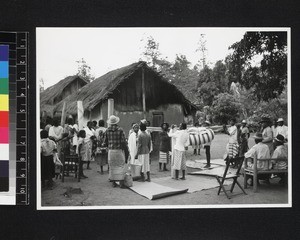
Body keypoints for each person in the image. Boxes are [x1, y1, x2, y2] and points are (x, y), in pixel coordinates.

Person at [103, 115, 129, 188]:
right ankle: (121, 183)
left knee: (112, 166)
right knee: (121, 165)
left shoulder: (107, 130)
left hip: (111, 151)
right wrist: (126, 150)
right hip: (119, 150)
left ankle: (113, 182)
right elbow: (123, 142)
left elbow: (105, 142)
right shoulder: (120, 130)